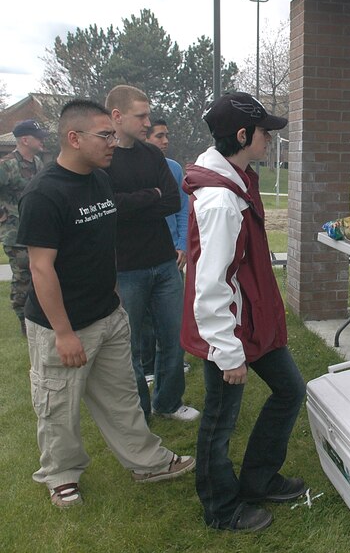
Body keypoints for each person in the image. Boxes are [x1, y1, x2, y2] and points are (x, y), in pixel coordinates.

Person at [17, 99, 195, 508]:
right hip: (62, 324)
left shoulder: (100, 180)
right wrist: (63, 332)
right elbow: (41, 269)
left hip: (109, 313)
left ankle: (146, 462)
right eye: (105, 135)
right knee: (58, 405)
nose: (113, 142)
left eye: (113, 134)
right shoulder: (44, 194)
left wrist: (113, 300)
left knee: (121, 397)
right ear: (74, 138)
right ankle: (61, 475)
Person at [181, 92, 307, 532]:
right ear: (241, 135)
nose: (270, 138)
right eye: (264, 131)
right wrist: (227, 350)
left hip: (252, 319)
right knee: (220, 420)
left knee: (290, 390)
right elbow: (210, 284)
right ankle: (220, 507)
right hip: (229, 331)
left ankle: (257, 479)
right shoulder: (220, 199)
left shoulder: (239, 176)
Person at [104, 85, 199, 422]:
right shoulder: (105, 158)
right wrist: (151, 197)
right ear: (117, 116)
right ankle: (139, 412)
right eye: (140, 115)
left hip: (163, 263)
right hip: (126, 267)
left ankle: (168, 402)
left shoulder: (153, 155)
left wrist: (138, 200)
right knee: (128, 348)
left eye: (147, 114)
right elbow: (110, 207)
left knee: (174, 337)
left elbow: (173, 201)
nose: (147, 122)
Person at [143, 119, 190, 376]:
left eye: (166, 135)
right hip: (140, 255)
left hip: (172, 254)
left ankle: (173, 362)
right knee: (144, 320)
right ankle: (147, 366)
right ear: (145, 138)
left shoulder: (173, 168)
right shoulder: (130, 169)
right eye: (159, 136)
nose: (165, 141)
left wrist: (182, 244)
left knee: (172, 317)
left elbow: (184, 209)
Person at [0, 120, 48, 334]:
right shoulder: (7, 165)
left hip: (37, 232)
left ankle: (39, 317)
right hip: (16, 234)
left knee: (41, 275)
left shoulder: (38, 163)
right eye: (38, 137)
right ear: (25, 140)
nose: (42, 140)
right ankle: (24, 323)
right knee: (22, 280)